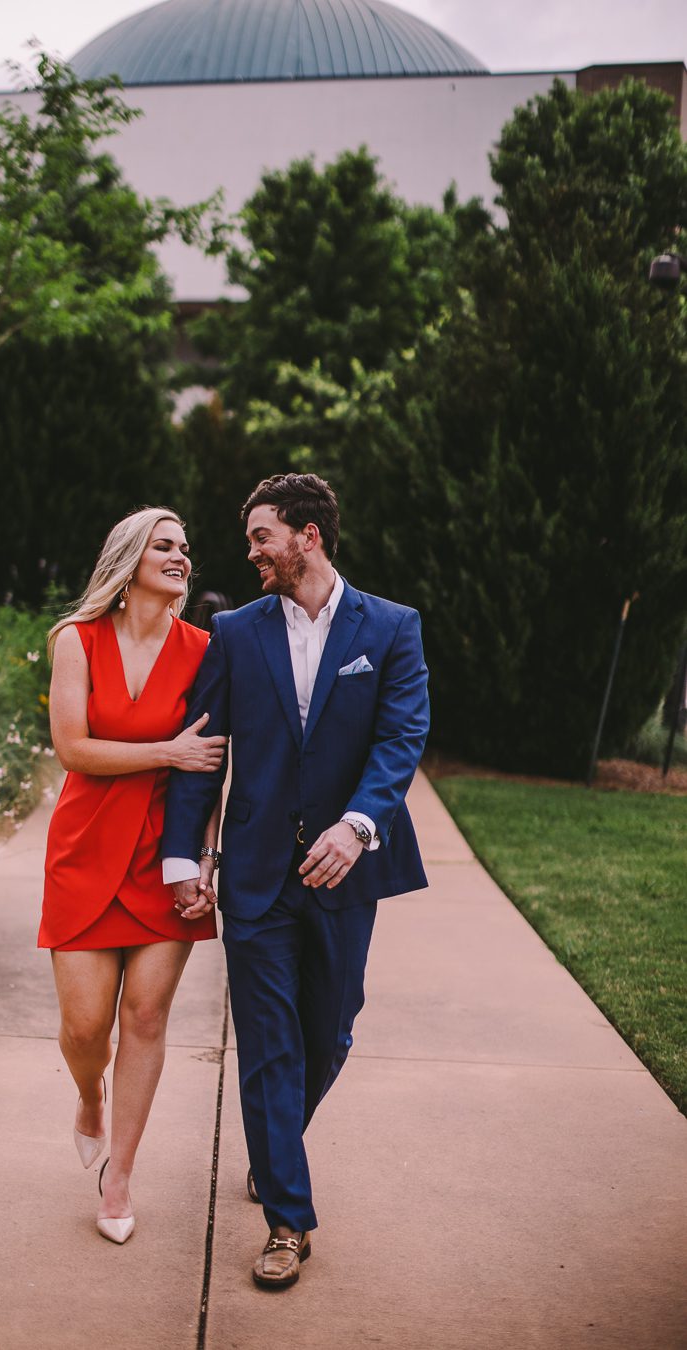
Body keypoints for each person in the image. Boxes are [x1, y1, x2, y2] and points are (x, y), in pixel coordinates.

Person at [162, 473, 429, 1289]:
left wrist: (359, 825)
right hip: (256, 873)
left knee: (331, 1030)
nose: (251, 552)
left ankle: (276, 1143)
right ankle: (287, 1220)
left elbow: (400, 738)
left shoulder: (391, 628)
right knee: (268, 1045)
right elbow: (204, 754)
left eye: (262, 536)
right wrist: (184, 859)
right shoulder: (234, 633)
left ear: (308, 536)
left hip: (346, 869)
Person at [39, 506, 225, 1246]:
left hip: (163, 856)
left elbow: (210, 768)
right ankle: (90, 1094)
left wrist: (204, 858)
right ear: (129, 559)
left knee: (145, 1017)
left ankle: (119, 1175)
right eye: (164, 545)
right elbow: (72, 749)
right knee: (87, 1028)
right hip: (85, 849)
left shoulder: (206, 650)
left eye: (185, 546)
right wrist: (165, 754)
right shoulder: (77, 640)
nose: (181, 556)